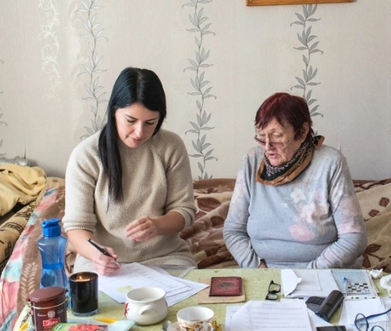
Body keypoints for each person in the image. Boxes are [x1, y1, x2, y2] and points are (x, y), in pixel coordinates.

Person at [63, 67, 196, 275]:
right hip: (102, 262)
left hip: (166, 257)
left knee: (192, 296)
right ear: (113, 112)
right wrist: (97, 254)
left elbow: (184, 211)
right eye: (130, 121)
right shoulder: (86, 155)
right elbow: (76, 226)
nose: (139, 132)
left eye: (150, 123)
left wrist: (157, 225)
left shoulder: (171, 146)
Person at [223, 92, 368, 269]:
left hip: (320, 271)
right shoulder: (252, 160)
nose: (267, 147)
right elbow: (233, 230)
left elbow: (354, 237)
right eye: (262, 136)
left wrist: (311, 274)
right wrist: (258, 270)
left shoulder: (331, 162)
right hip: (263, 272)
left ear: (302, 131)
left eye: (277, 136)